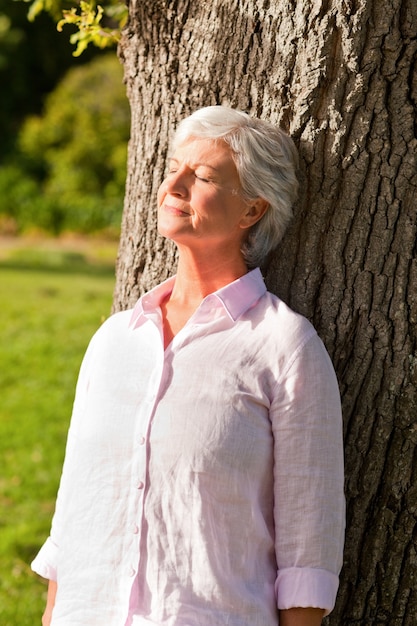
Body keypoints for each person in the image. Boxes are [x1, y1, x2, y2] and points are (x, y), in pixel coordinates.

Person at [32, 105, 345, 626]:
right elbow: (73, 515)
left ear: (251, 211)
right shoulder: (114, 341)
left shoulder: (284, 346)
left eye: (200, 175)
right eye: (173, 167)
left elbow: (308, 549)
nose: (173, 184)